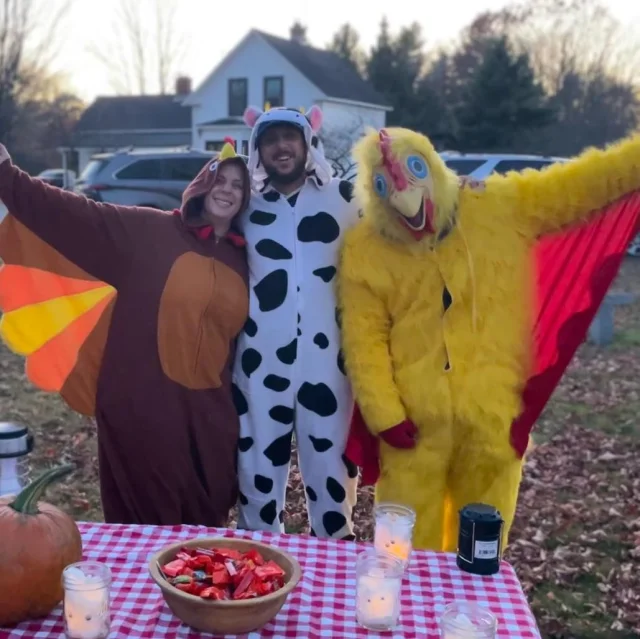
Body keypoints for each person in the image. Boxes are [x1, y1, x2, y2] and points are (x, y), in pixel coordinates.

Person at [338, 125, 640, 552]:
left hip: (492, 418)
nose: (403, 198)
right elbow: (365, 338)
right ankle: (409, 617)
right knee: (404, 550)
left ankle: (471, 613)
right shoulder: (366, 249)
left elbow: (585, 185)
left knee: (481, 550)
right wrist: (385, 415)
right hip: (414, 423)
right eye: (384, 185)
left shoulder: (500, 206)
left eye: (415, 172)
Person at [0, 141, 252, 526]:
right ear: (202, 183)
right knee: (149, 523)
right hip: (143, 404)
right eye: (221, 179)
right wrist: (7, 174)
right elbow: (77, 215)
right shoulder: (149, 231)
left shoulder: (248, 258)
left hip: (210, 417)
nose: (227, 190)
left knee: (207, 522)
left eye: (238, 185)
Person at [231, 105, 361, 539]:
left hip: (330, 366)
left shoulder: (346, 199)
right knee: (256, 477)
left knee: (331, 475)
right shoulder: (244, 207)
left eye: (290, 136)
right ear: (258, 149)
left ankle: (336, 571)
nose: (281, 146)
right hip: (259, 365)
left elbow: (407, 230)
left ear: (308, 143)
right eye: (270, 139)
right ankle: (257, 571)